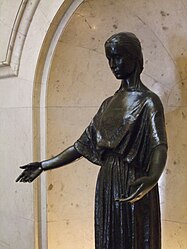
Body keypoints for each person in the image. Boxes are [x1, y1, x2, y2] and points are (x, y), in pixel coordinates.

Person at [16, 32, 167, 249]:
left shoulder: (148, 101)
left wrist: (153, 177)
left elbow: (159, 145)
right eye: (109, 59)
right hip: (107, 182)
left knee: (134, 238)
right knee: (109, 238)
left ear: (134, 57)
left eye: (118, 57)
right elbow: (81, 146)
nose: (113, 64)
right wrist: (43, 165)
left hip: (134, 181)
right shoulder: (107, 104)